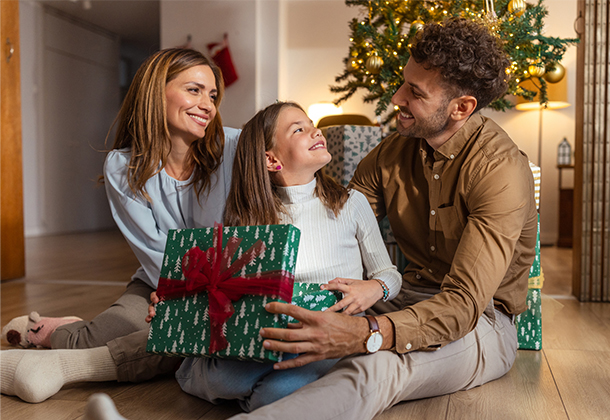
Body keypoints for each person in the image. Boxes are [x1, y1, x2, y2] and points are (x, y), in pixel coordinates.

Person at [225, 17, 538, 420]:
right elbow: (329, 226)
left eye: (415, 92)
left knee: (379, 364)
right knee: (248, 321)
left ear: (461, 108)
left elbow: (462, 304)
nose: (395, 97)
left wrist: (368, 333)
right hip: (398, 299)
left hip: (480, 322)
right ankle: (117, 365)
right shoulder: (392, 154)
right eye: (403, 82)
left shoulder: (500, 170)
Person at [1, 48, 241, 403]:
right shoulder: (123, 166)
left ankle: (70, 364)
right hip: (161, 282)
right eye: (194, 90)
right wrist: (180, 299)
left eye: (213, 95)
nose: (207, 104)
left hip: (232, 287)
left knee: (175, 339)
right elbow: (155, 252)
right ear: (155, 92)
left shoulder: (236, 146)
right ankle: (52, 331)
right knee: (102, 335)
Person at [149, 101, 402, 412]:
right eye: (300, 129)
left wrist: (376, 288)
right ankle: (201, 372)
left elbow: (389, 273)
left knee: (272, 395)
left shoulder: (350, 203)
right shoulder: (249, 218)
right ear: (271, 159)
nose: (315, 131)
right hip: (271, 330)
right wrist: (175, 303)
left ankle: (253, 399)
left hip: (334, 330)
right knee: (226, 382)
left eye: (312, 123)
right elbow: (226, 292)